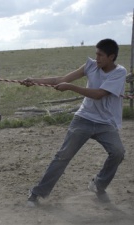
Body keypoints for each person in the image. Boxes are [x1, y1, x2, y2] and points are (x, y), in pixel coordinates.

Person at [21, 39, 127, 206]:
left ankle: (98, 184)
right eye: (96, 54)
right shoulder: (90, 66)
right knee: (63, 155)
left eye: (100, 55)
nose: (96, 58)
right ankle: (37, 193)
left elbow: (99, 94)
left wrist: (70, 87)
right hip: (84, 118)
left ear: (111, 57)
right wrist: (33, 80)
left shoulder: (119, 72)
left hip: (106, 123)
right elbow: (60, 79)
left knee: (118, 152)